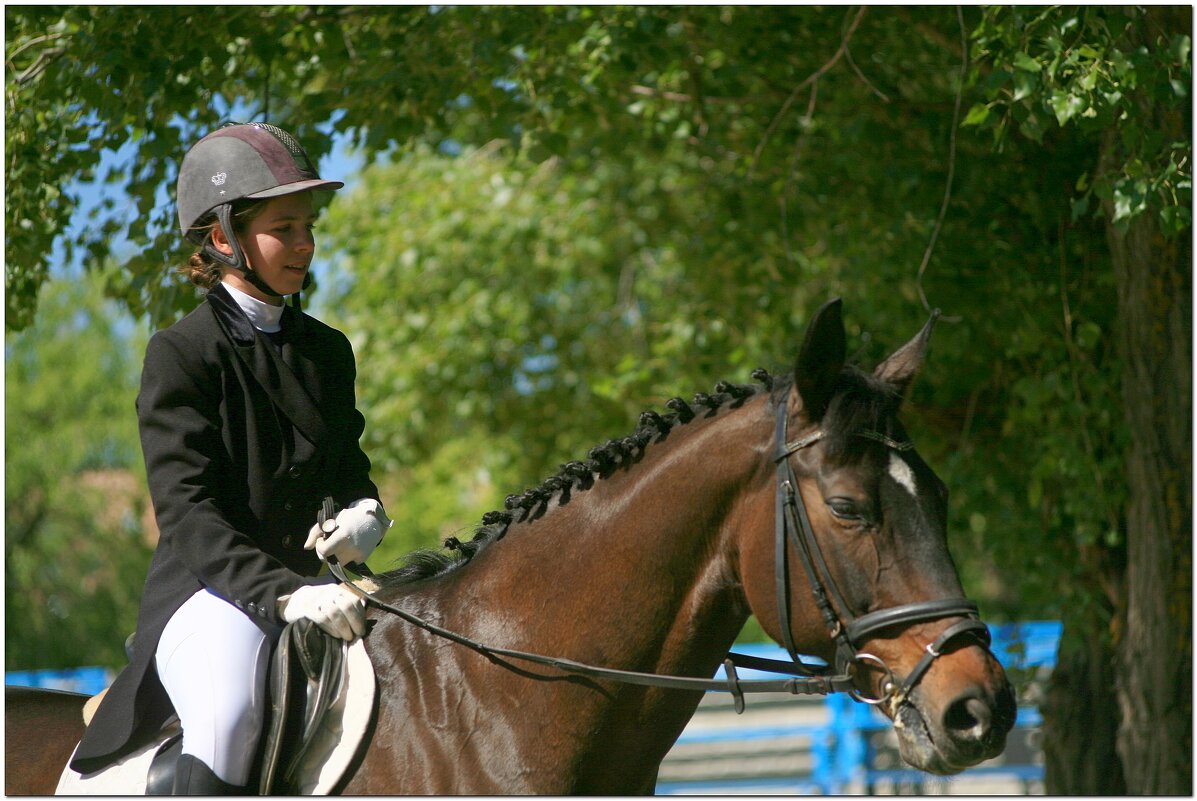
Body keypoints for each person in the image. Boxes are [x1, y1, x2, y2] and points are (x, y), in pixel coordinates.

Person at [69, 122, 392, 794]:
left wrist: (368, 513)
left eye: (308, 225)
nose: (305, 244)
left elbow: (348, 466)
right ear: (224, 238)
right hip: (214, 595)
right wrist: (284, 592)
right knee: (232, 714)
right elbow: (187, 514)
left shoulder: (327, 350)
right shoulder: (183, 353)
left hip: (322, 586)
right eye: (285, 227)